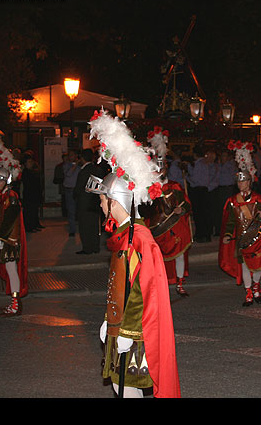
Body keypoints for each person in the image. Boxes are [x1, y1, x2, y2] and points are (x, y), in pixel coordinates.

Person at [87, 109, 180, 399]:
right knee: (119, 386)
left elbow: (144, 290)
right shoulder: (123, 235)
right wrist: (109, 320)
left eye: (104, 200)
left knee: (127, 389)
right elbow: (121, 287)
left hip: (135, 334)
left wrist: (126, 331)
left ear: (115, 202)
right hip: (121, 328)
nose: (101, 206)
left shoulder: (139, 238)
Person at [219, 140, 261, 306]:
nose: (241, 184)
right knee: (246, 266)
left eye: (244, 181)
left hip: (259, 237)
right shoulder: (233, 201)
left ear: (250, 182)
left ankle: (256, 287)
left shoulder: (259, 199)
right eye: (239, 182)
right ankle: (248, 292)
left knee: (258, 265)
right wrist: (227, 235)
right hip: (242, 238)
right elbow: (231, 221)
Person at [142, 127, 194, 297]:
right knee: (156, 259)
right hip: (157, 229)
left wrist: (182, 208)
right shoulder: (148, 189)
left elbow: (187, 204)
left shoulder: (175, 186)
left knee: (179, 255)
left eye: (162, 168)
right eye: (157, 169)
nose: (160, 172)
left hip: (176, 226)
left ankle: (179, 284)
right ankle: (159, 285)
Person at [0, 137, 28, 318]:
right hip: (3, 240)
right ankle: (13, 303)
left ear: (5, 181)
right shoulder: (2, 196)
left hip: (10, 241)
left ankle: (15, 305)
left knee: (12, 271)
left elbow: (10, 220)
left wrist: (1, 240)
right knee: (11, 271)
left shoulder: (11, 196)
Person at [74, 148, 105, 254]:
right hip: (95, 201)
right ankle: (95, 247)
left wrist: (75, 195)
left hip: (84, 203)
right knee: (94, 225)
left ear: (82, 158)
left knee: (84, 226)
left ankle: (87, 248)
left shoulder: (84, 171)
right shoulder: (96, 169)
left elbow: (79, 188)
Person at [21, 152, 43, 232]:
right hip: (29, 195)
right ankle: (29, 227)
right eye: (29, 162)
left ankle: (34, 225)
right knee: (29, 211)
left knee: (34, 211)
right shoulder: (26, 172)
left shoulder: (33, 171)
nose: (31, 163)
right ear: (26, 163)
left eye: (31, 162)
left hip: (35, 194)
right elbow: (28, 184)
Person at [63, 150, 80, 237]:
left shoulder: (79, 166)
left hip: (77, 190)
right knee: (71, 211)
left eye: (72, 155)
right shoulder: (66, 165)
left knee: (79, 210)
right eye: (69, 155)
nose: (71, 157)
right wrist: (75, 165)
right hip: (69, 190)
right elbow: (68, 174)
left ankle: (80, 229)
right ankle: (72, 230)